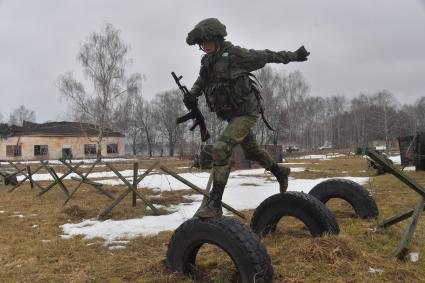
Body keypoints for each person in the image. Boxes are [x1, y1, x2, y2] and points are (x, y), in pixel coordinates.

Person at [185, 18, 310, 218]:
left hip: (246, 113)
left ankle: (215, 203)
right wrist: (192, 94)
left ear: (217, 39)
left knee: (220, 148)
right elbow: (202, 80)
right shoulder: (208, 61)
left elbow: (267, 56)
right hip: (231, 116)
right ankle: (280, 172)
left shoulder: (236, 56)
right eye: (202, 44)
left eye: (207, 42)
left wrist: (294, 56)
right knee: (252, 151)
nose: (205, 47)